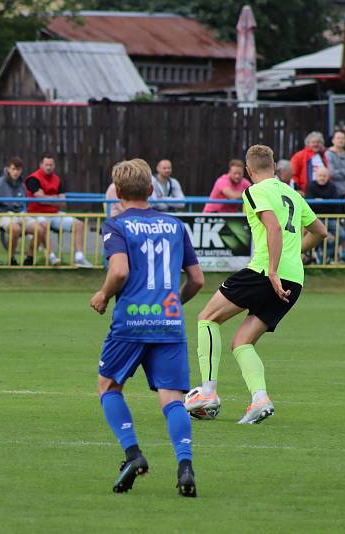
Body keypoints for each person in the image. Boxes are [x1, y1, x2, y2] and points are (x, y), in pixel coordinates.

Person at [185, 145, 327, 424]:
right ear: (274, 166)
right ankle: (260, 399)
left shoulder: (254, 191)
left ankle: (208, 394)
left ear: (249, 171)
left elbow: (273, 228)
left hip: (265, 272)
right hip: (294, 279)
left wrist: (272, 271)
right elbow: (320, 232)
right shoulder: (292, 194)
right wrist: (293, 255)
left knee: (207, 318)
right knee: (242, 342)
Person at [90, 158, 204, 496]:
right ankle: (185, 466)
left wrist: (102, 294)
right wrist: (171, 306)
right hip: (168, 323)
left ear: (118, 192)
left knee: (108, 386)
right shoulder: (175, 225)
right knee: (173, 399)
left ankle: (133, 453)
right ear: (152, 189)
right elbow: (197, 280)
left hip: (131, 322)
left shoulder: (116, 225)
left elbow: (120, 271)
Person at [25, 154, 93, 268]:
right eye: (46, 164)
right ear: (41, 165)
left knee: (79, 224)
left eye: (51, 165)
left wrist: (48, 199)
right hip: (37, 213)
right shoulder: (33, 178)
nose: (49, 167)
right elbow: (39, 199)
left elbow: (63, 202)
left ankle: (79, 257)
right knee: (44, 225)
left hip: (54, 213)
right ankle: (51, 256)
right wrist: (55, 198)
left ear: (54, 166)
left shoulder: (57, 179)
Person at [0, 156, 46, 266]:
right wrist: (3, 212)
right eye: (13, 169)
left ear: (21, 170)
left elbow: (24, 203)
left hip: (19, 214)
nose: (16, 172)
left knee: (40, 230)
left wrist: (20, 211)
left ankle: (30, 258)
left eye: (18, 169)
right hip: (1, 215)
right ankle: (11, 258)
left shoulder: (22, 185)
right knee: (15, 229)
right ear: (8, 169)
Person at [305, 167, 345, 263]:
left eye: (324, 176)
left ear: (328, 177)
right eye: (320, 176)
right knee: (309, 234)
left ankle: (326, 252)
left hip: (330, 218)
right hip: (314, 218)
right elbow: (308, 202)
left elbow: (336, 203)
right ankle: (311, 255)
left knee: (342, 235)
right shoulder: (311, 186)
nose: (322, 178)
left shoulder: (332, 187)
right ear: (315, 176)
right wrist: (325, 202)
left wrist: (320, 201)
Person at [326, 130, 345, 195]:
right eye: (338, 138)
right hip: (332, 191)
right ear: (333, 140)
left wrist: (339, 171)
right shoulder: (328, 154)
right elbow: (331, 173)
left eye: (343, 138)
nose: (341, 140)